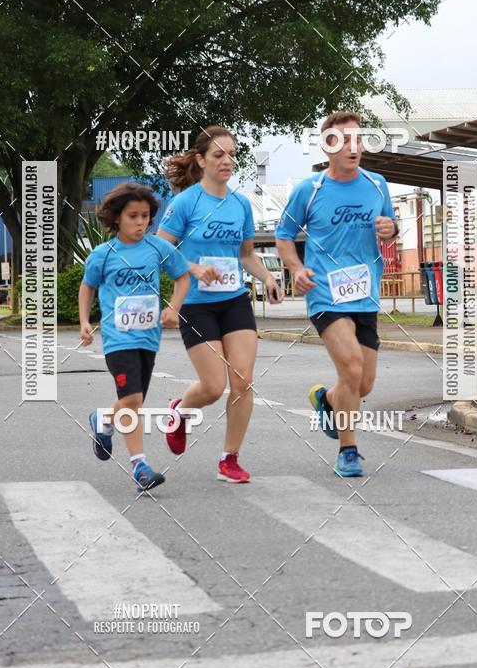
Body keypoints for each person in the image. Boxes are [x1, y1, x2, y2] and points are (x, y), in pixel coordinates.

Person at [156, 125, 284, 483]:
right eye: (218, 155)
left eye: (231, 155)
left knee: (243, 381)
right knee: (213, 388)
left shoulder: (241, 204)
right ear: (200, 160)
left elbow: (246, 255)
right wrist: (193, 267)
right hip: (197, 305)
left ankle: (230, 458)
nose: (227, 161)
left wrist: (269, 278)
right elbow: (160, 249)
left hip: (234, 302)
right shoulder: (185, 203)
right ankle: (179, 411)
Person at [275, 111, 398, 477]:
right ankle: (348, 450)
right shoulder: (308, 190)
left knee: (363, 383)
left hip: (365, 294)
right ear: (327, 146)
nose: (353, 147)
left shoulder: (377, 185)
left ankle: (327, 399)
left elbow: (390, 229)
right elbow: (284, 237)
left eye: (358, 140)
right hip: (326, 293)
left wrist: (389, 228)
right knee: (352, 367)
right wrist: (297, 269)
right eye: (343, 141)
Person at [79, 182, 190, 492]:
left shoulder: (157, 248)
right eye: (133, 216)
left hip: (148, 338)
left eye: (145, 216)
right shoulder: (104, 254)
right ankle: (139, 466)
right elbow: (88, 286)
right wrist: (85, 321)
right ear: (117, 218)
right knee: (133, 400)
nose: (140, 222)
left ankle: (104, 418)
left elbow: (182, 276)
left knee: (132, 403)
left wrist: (173, 307)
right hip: (118, 338)